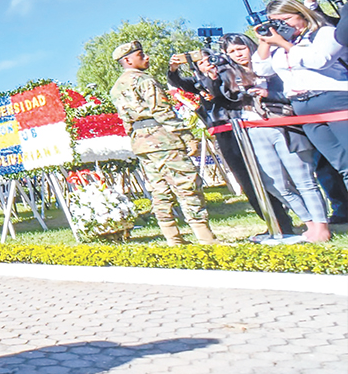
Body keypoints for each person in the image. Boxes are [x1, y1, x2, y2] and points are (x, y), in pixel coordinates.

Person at [167, 51, 298, 237]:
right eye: (200, 63)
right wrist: (173, 69)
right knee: (245, 180)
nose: (205, 65)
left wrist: (213, 76)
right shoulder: (200, 82)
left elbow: (224, 95)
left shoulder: (229, 76)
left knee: (262, 177)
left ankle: (283, 221)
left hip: (241, 129)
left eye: (207, 60)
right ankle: (271, 221)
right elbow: (180, 83)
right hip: (223, 134)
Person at [215, 34, 331, 242]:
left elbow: (294, 92)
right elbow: (224, 99)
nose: (237, 54)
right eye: (231, 52)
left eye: (240, 49)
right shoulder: (228, 74)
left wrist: (268, 93)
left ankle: (321, 227)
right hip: (254, 131)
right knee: (274, 183)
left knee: (304, 181)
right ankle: (309, 223)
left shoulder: (272, 63)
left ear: (250, 46)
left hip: (285, 128)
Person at [110, 40, 219, 245]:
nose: (146, 57)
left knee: (160, 191)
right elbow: (162, 111)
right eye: (141, 55)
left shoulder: (116, 88)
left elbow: (125, 121)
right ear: (128, 60)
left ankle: (172, 237)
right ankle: (205, 237)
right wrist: (186, 136)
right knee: (187, 185)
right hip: (163, 140)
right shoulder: (144, 80)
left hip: (141, 143)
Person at [253, 0, 348, 225]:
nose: (282, 26)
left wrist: (286, 45)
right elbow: (261, 68)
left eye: (286, 19)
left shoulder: (322, 33)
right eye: (275, 22)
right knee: (340, 164)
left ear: (301, 14)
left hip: (335, 100)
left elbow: (320, 60)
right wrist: (266, 41)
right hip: (304, 107)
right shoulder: (280, 43)